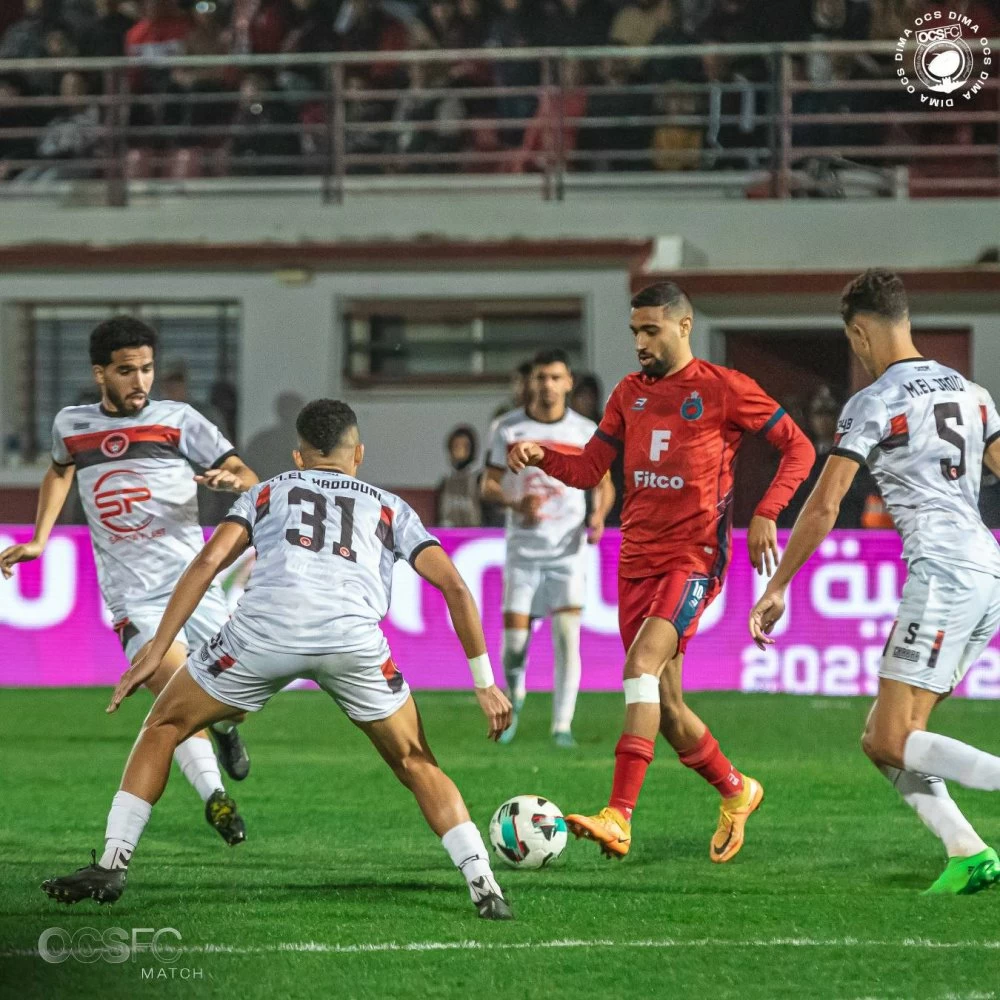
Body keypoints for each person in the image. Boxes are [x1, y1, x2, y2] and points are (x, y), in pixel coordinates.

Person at [40, 399, 514, 920]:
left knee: (164, 724)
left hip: (263, 637)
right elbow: (455, 587)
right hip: (352, 643)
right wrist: (484, 682)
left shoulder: (268, 490)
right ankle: (484, 884)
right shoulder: (389, 506)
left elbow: (208, 561)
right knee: (415, 761)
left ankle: (112, 863)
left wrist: (157, 647)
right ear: (358, 453)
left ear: (298, 455)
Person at [508, 282, 814, 860]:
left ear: (683, 326)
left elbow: (797, 448)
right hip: (635, 560)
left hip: (694, 556)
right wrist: (541, 455)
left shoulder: (725, 389)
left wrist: (769, 511)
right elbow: (591, 468)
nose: (640, 343)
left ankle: (618, 816)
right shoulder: (629, 393)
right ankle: (737, 789)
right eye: (634, 332)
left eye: (650, 331)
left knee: (639, 665)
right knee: (667, 708)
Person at [750, 270, 1000, 895]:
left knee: (893, 737)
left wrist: (778, 584)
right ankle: (966, 851)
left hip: (942, 572)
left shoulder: (875, 401)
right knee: (884, 739)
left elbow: (826, 502)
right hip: (986, 570)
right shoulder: (973, 393)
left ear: (859, 332)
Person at [0, 316, 259, 846]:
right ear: (101, 373)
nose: (139, 381)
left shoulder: (179, 420)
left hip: (195, 587)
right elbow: (59, 470)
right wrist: (40, 538)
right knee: (175, 694)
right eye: (126, 371)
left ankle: (228, 731)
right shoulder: (72, 425)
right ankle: (216, 798)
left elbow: (246, 474)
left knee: (229, 702)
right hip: (133, 599)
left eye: (146, 369)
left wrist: (234, 478)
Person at [484, 349, 615, 747]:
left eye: (556, 378)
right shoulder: (507, 428)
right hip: (523, 549)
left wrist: (598, 515)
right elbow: (487, 484)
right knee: (514, 646)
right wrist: (513, 502)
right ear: (531, 383)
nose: (548, 386)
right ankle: (517, 691)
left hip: (568, 549)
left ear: (569, 383)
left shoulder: (585, 430)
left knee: (566, 636)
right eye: (541, 378)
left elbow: (603, 484)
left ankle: (562, 725)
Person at [436, 425, 482, 527]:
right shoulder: (445, 483)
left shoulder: (478, 481)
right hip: (448, 536)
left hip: (473, 537)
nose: (459, 451)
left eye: (464, 447)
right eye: (456, 446)